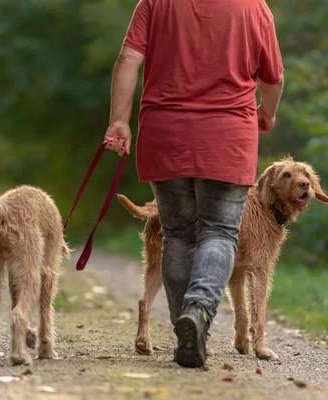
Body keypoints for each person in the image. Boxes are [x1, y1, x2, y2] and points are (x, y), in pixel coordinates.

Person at [103, 0, 284, 368]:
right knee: (219, 232)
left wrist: (119, 121)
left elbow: (127, 60)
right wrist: (267, 111)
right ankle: (199, 310)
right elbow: (273, 77)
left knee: (179, 234)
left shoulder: (154, 3)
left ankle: (184, 326)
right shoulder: (253, 7)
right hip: (228, 136)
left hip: (164, 134)